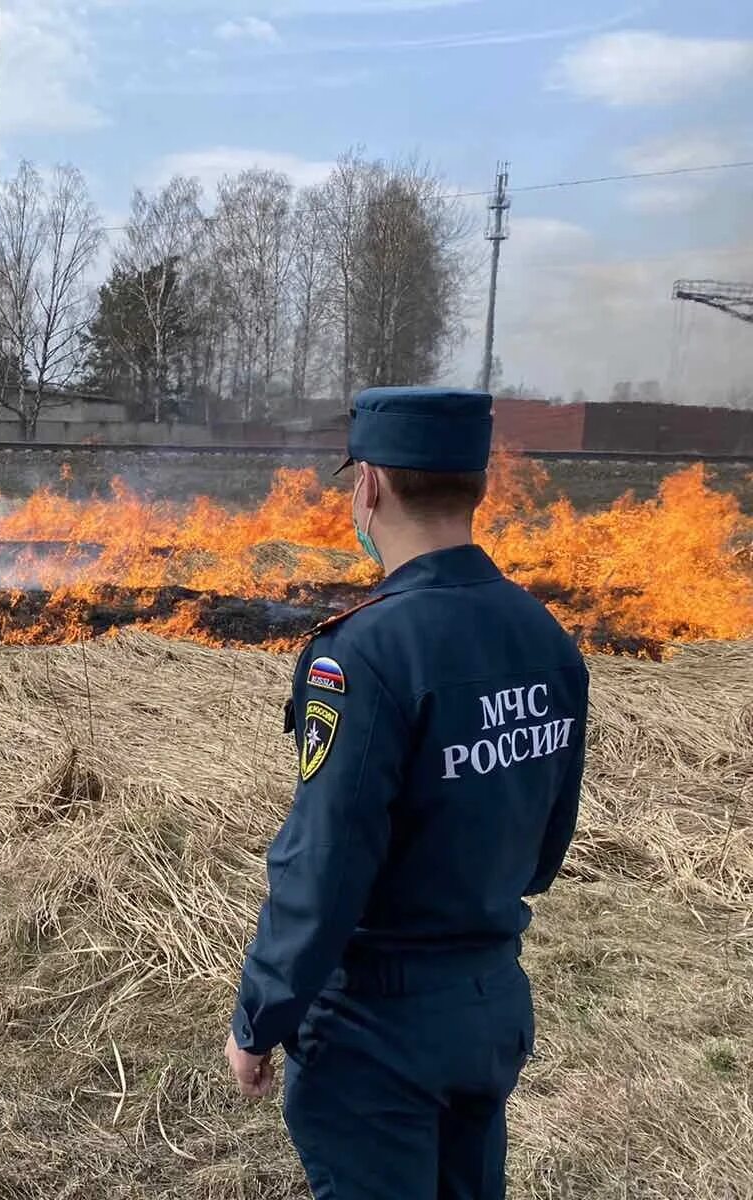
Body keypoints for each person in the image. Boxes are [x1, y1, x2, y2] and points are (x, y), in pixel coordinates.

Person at [224, 387, 590, 1200]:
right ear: (476, 488)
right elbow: (544, 853)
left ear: (372, 487)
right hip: (490, 1002)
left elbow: (325, 862)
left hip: (378, 1031)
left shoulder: (363, 653)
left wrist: (261, 1015)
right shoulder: (546, 637)